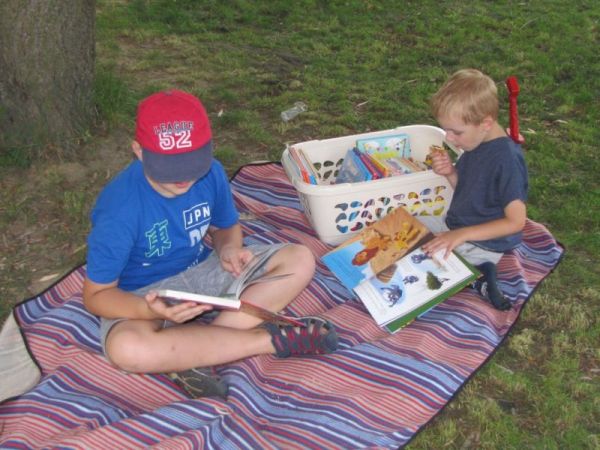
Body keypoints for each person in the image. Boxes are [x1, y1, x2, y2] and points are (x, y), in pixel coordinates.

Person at [82, 89, 338, 399]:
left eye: (193, 164)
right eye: (170, 169)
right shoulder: (118, 210)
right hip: (143, 295)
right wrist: (147, 310)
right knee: (127, 348)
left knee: (300, 258)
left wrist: (228, 248)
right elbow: (96, 296)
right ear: (139, 151)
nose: (184, 179)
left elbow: (224, 226)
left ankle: (191, 351)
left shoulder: (210, 173)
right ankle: (268, 340)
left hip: (202, 268)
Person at [421, 69, 529, 311]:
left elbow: (516, 222)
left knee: (436, 259)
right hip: (457, 223)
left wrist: (460, 235)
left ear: (485, 123)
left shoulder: (507, 161)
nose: (449, 138)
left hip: (483, 241)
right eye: (446, 130)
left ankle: (482, 273)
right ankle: (471, 265)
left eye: (456, 132)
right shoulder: (476, 141)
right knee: (407, 226)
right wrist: (450, 172)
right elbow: (470, 190)